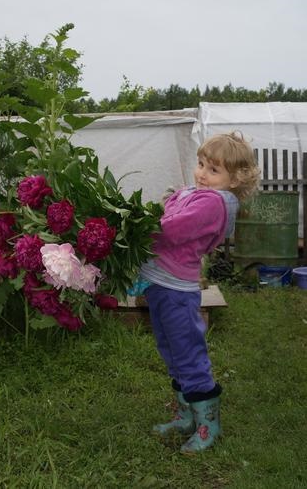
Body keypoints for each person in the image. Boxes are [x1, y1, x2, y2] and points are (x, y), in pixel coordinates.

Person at [128, 131, 260, 454]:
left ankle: (208, 423)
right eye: (201, 164)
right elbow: (170, 205)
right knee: (171, 351)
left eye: (213, 170)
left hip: (177, 290)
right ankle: (186, 415)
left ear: (235, 179)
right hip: (161, 284)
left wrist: (138, 226)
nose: (201, 173)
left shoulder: (215, 204)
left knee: (188, 353)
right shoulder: (196, 193)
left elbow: (171, 229)